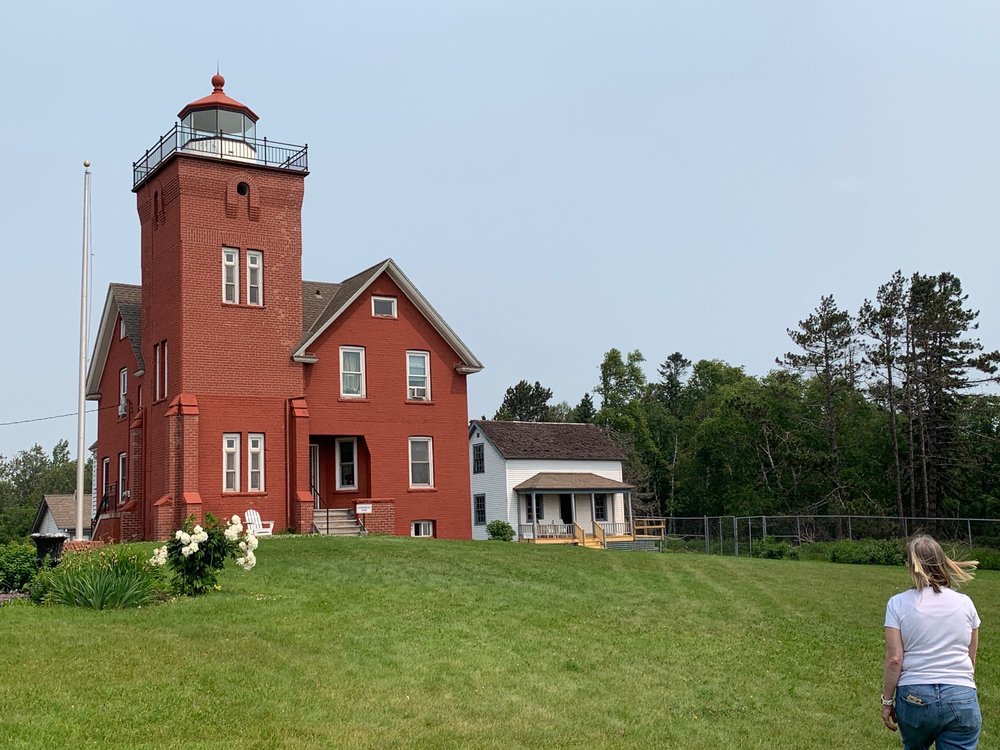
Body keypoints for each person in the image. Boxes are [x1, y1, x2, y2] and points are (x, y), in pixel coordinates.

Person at [881, 534, 981, 749]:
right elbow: (971, 657)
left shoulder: (897, 604)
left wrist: (887, 701)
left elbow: (895, 659)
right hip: (961, 694)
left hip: (914, 696)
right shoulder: (966, 604)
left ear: (911, 565)